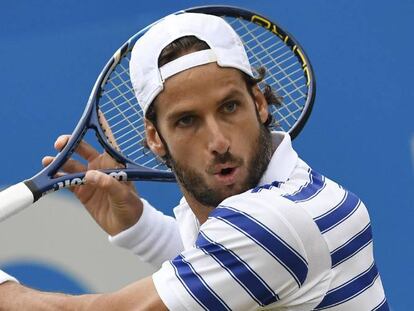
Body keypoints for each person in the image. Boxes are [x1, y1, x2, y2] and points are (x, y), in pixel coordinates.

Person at [0, 12, 388, 310]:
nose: (218, 141)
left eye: (230, 107)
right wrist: (140, 227)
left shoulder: (274, 223)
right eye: (187, 121)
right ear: (156, 138)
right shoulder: (293, 195)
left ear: (259, 103)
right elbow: (227, 266)